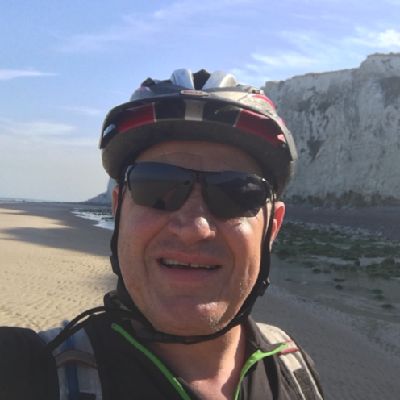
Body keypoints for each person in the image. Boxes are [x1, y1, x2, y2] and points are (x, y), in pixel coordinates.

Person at [0, 69, 324, 399]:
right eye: (156, 187)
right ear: (119, 209)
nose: (194, 229)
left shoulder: (293, 369)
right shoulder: (26, 370)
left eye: (236, 193)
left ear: (272, 228)